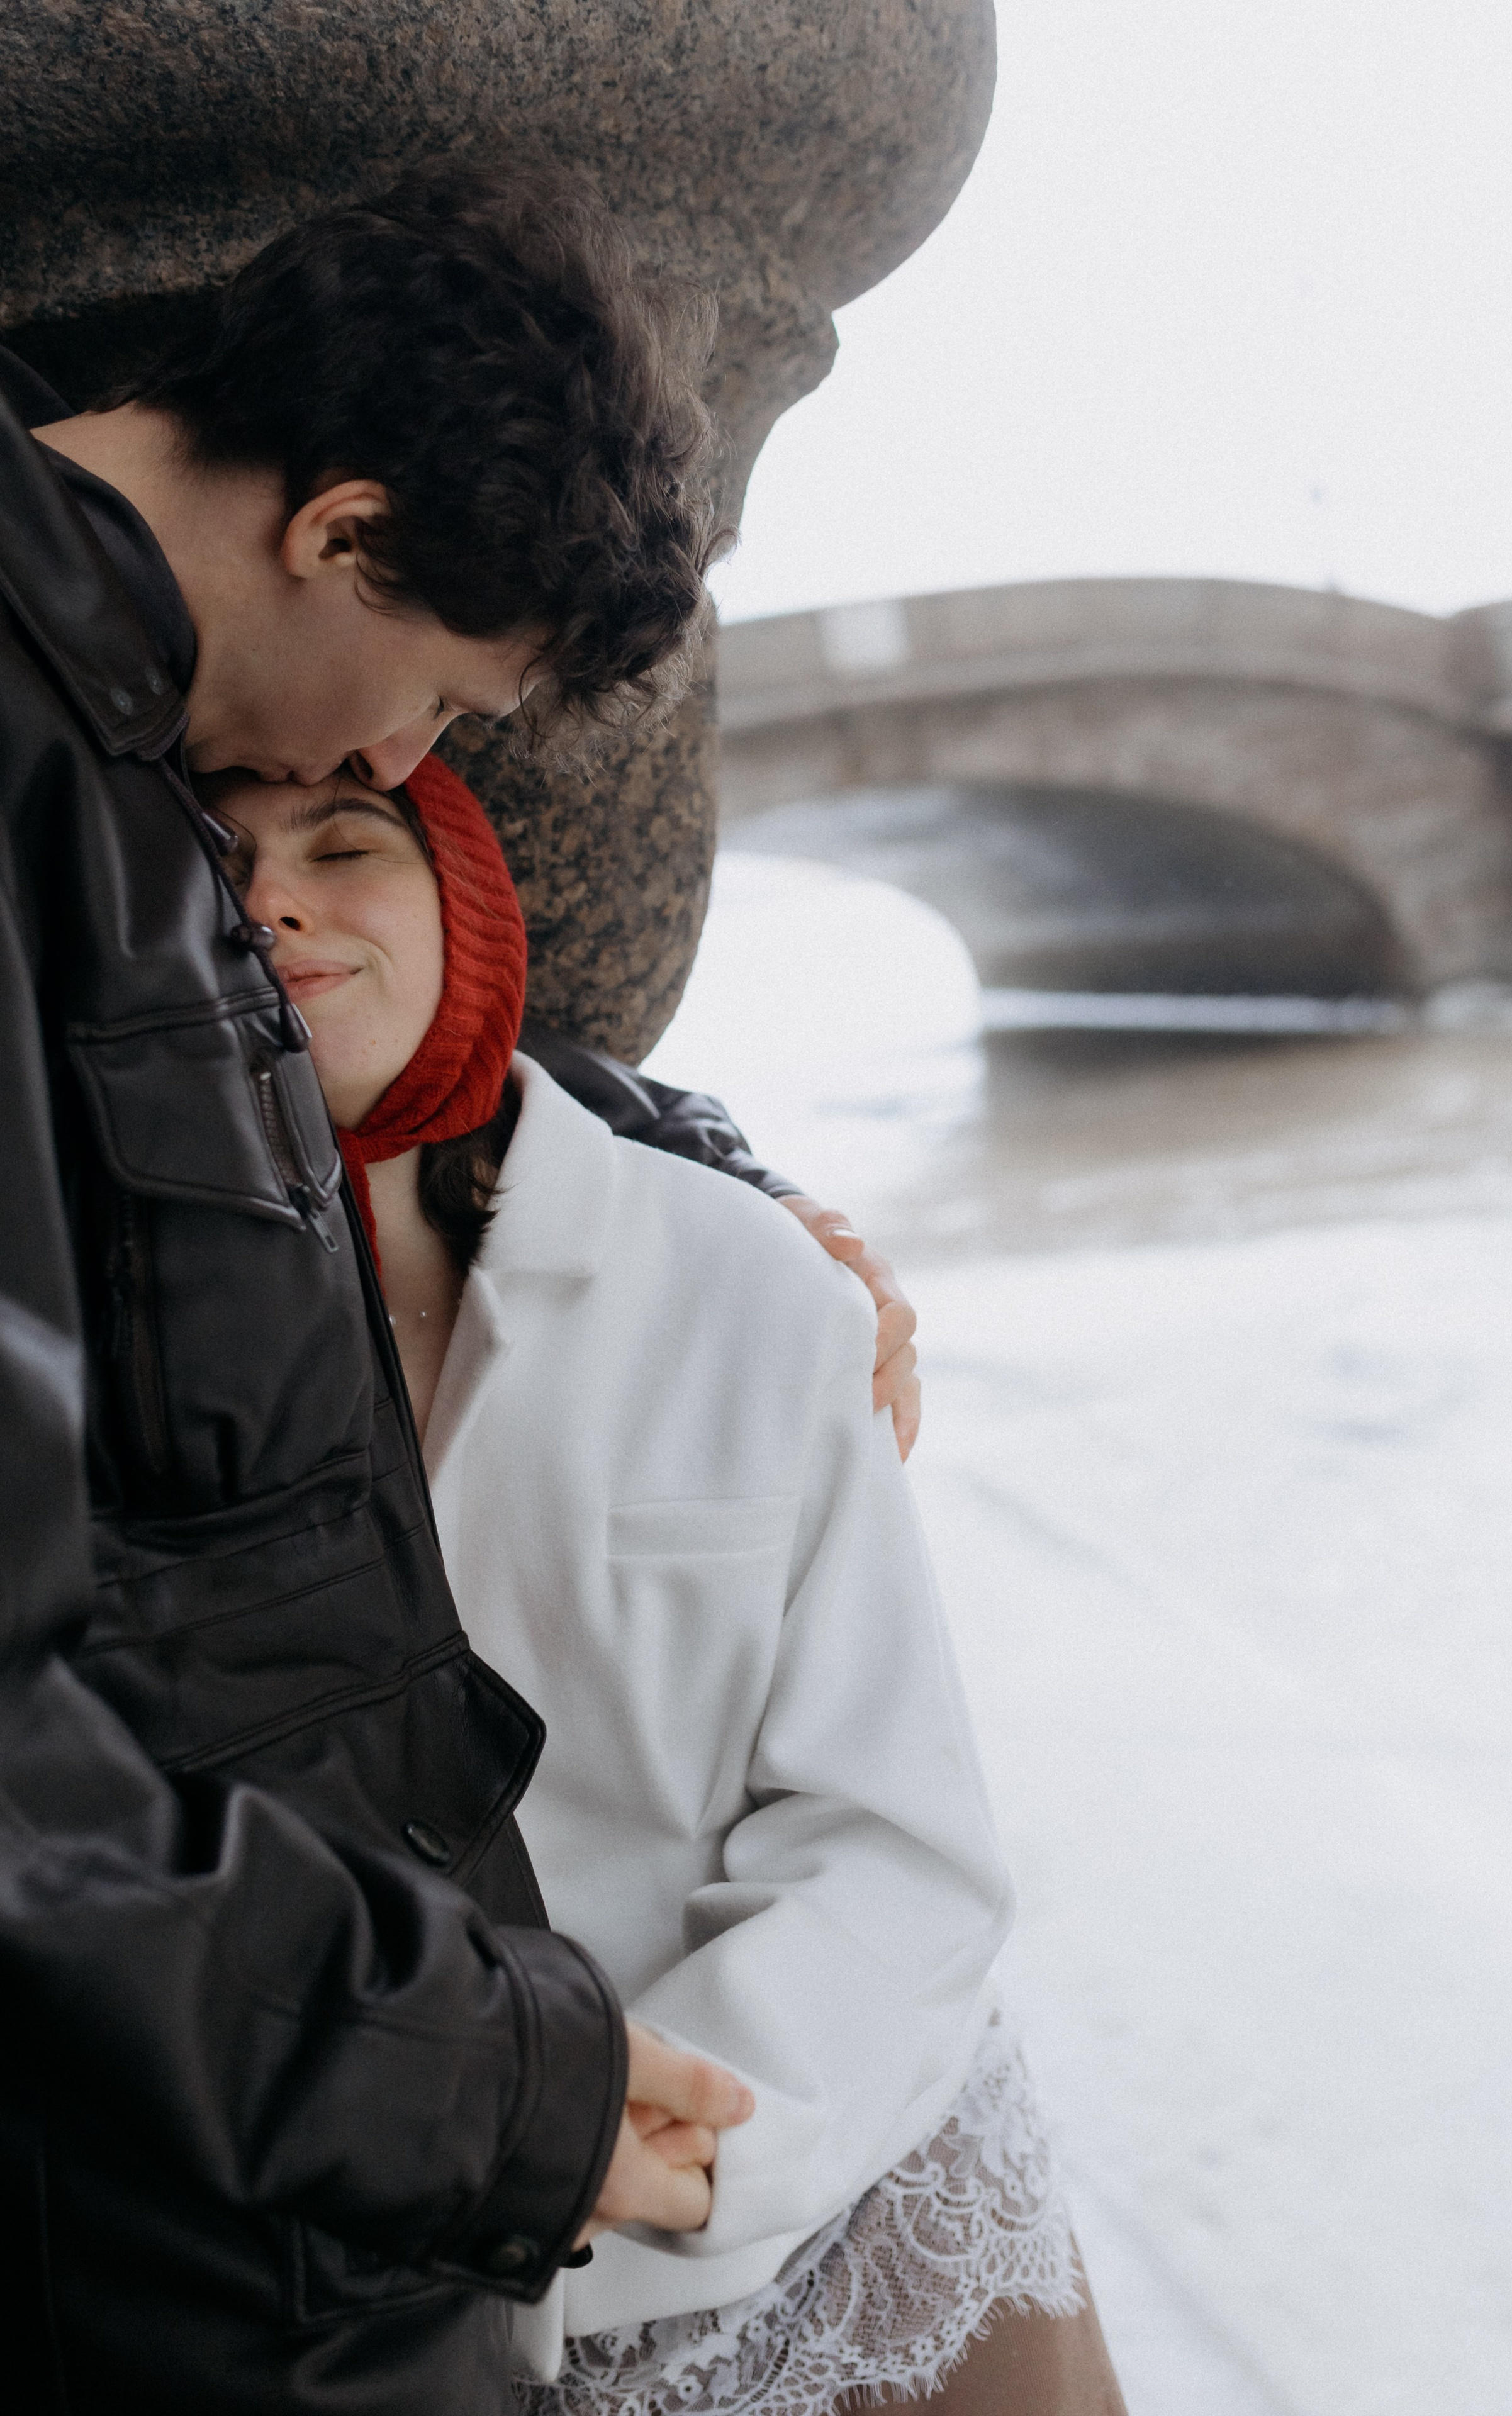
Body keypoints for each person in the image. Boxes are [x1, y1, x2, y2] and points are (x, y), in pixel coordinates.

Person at [0, 156, 776, 2413]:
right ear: (338, 532)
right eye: (429, 701)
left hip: (303, 2165)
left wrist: (686, 1165)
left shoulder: (124, 762)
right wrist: (487, 2090)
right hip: (183, 2226)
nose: (393, 779)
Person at [210, 750, 1133, 2416]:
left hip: (846, 2216)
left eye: (347, 848)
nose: (273, 897)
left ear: (468, 911)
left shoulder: (746, 1282)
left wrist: (688, 2141)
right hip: (369, 2295)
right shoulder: (121, 1370)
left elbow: (895, 1838)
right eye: (216, 864)